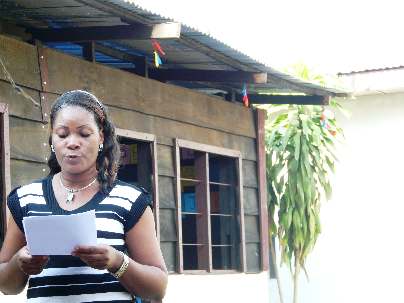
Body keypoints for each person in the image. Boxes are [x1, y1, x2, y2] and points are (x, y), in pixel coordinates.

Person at [0, 90, 168, 302]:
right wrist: (19, 263)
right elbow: (6, 287)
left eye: (84, 134)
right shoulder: (25, 199)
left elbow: (157, 289)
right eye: (62, 134)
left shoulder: (130, 200)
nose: (72, 142)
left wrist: (116, 261)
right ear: (52, 140)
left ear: (101, 138)